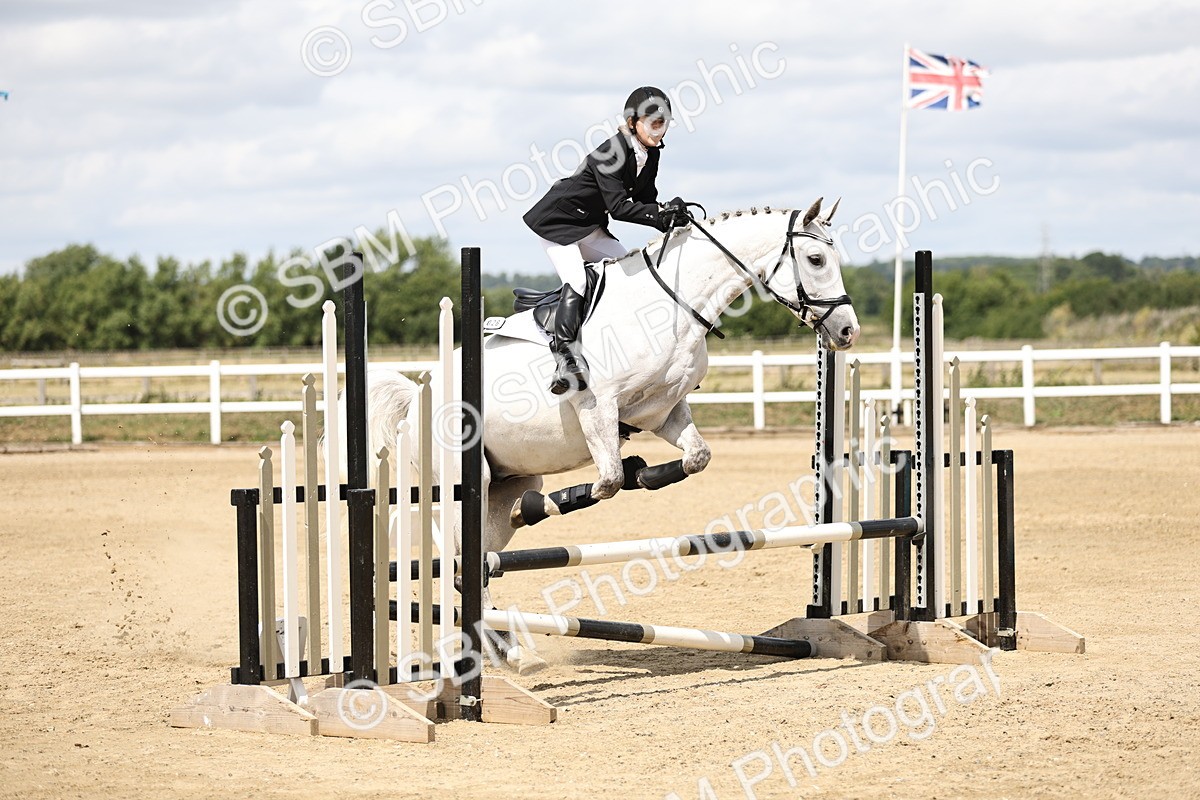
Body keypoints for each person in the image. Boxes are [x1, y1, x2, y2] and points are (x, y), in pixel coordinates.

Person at [523, 86, 691, 394]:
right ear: (631, 123)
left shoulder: (649, 154)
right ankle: (565, 359)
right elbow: (620, 208)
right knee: (577, 280)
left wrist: (670, 215)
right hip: (557, 225)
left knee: (633, 270)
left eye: (664, 122)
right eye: (654, 122)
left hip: (589, 226)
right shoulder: (610, 152)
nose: (660, 129)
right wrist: (661, 215)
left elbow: (645, 200)